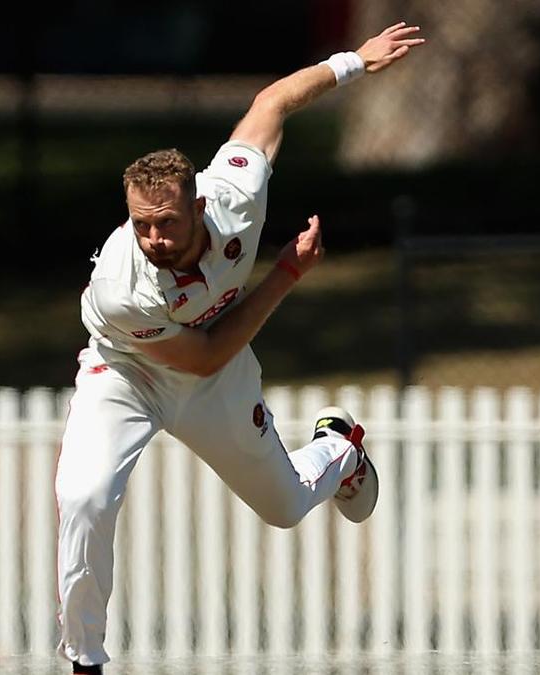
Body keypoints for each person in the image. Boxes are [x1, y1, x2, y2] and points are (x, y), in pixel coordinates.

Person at [55, 21, 426, 673]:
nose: (153, 239)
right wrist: (286, 274)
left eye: (167, 223)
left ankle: (339, 449)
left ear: (199, 206)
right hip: (127, 372)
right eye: (141, 224)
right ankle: (85, 659)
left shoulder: (235, 192)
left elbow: (271, 102)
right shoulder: (122, 285)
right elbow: (202, 351)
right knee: (85, 496)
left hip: (211, 379)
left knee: (284, 508)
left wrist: (355, 62)